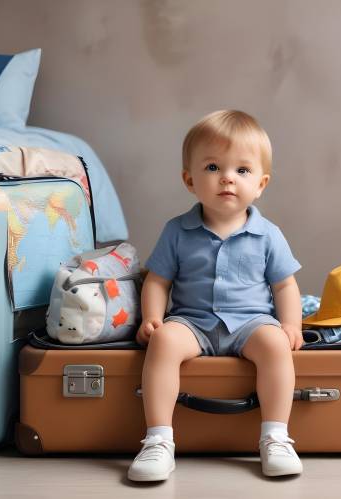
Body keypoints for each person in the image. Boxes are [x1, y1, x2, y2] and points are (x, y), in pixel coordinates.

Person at [128, 110, 304, 481]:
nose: (227, 177)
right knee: (163, 343)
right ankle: (158, 440)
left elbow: (284, 285)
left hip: (251, 323)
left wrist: (290, 324)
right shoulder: (177, 231)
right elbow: (158, 280)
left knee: (275, 346)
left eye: (242, 170)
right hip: (192, 322)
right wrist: (152, 317)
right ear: (189, 180)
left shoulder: (268, 234)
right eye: (212, 167)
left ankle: (275, 436)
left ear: (261, 183)